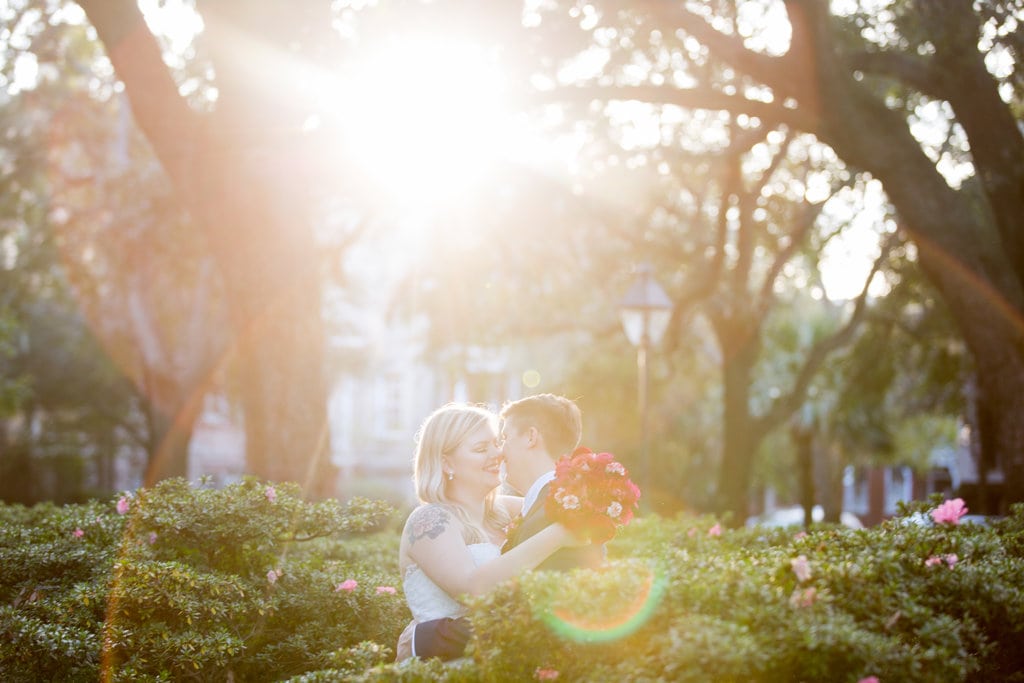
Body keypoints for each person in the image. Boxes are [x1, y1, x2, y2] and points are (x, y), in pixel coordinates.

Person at [395, 403, 581, 662]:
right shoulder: (430, 520)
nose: (498, 454)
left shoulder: (510, 510)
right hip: (444, 666)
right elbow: (474, 591)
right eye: (481, 449)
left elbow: (555, 498)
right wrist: (561, 533)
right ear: (446, 463)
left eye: (497, 443)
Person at [499, 393, 605, 570]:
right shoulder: (559, 502)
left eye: (505, 438)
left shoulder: (555, 514)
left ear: (530, 437)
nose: (500, 451)